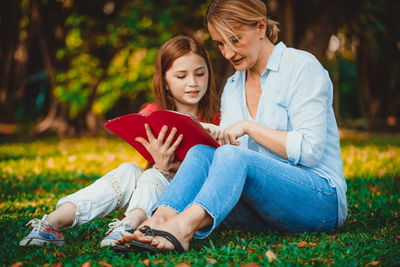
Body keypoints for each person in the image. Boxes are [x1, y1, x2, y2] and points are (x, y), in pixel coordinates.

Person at [116, 0, 347, 254]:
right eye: (220, 44)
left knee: (232, 154)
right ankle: (158, 220)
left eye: (235, 40)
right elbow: (223, 158)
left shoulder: (301, 67)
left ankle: (182, 227)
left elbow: (310, 150)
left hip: (319, 202)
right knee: (202, 153)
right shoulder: (234, 86)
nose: (227, 53)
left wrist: (249, 127)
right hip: (264, 209)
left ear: (260, 27)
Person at [19, 36, 220, 247]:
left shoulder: (218, 120)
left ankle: (129, 226)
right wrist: (160, 165)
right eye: (181, 76)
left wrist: (165, 168)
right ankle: (52, 223)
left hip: (184, 203)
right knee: (128, 170)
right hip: (151, 193)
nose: (193, 83)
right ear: (165, 82)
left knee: (153, 173)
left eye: (200, 74)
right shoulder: (151, 113)